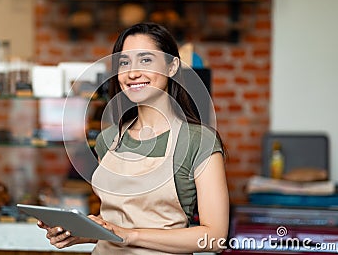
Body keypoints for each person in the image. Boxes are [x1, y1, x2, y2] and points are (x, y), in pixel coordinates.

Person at [38, 22, 229, 254]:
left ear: (172, 67)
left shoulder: (199, 142)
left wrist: (129, 236)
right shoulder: (108, 139)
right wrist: (83, 232)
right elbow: (118, 223)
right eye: (124, 62)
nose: (132, 73)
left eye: (146, 60)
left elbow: (215, 238)